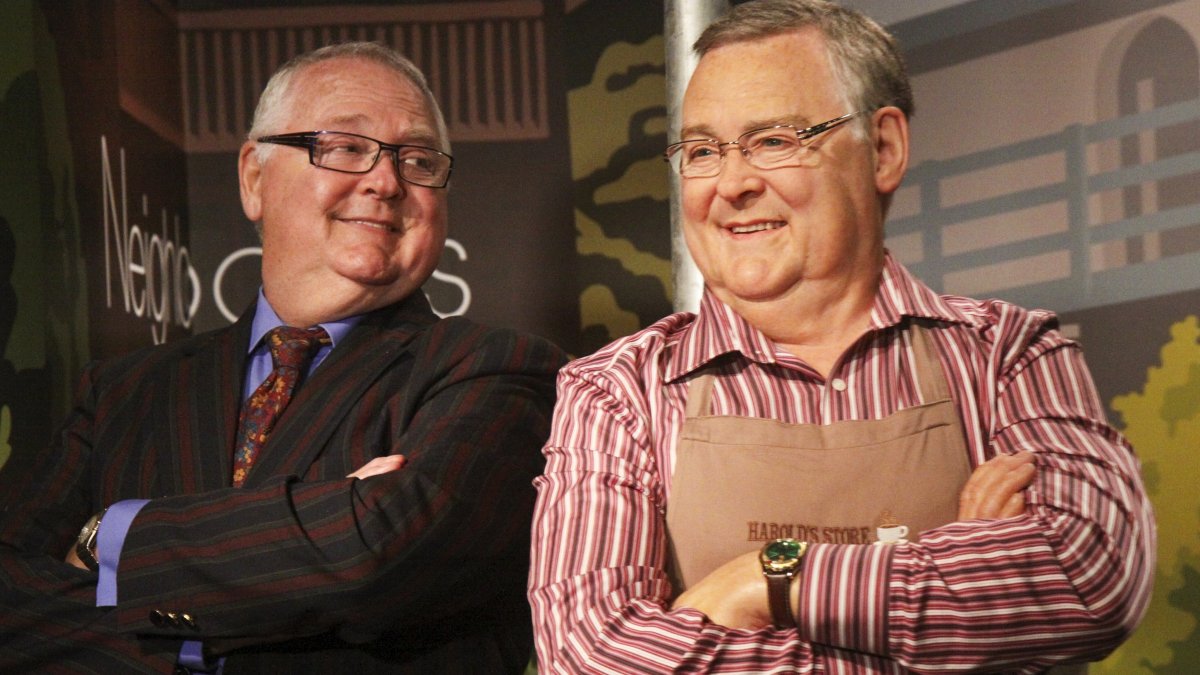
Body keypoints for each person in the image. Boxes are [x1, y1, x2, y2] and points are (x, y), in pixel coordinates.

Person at [527, 1, 1155, 672]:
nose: (732, 183)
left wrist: (764, 581)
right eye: (703, 150)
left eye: (773, 140)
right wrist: (959, 613)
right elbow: (591, 654)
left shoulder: (1009, 353)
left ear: (883, 148)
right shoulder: (618, 390)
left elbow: (1091, 571)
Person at [0, 41, 565, 673]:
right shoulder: (123, 391)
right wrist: (196, 645)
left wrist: (112, 535)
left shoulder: (499, 370)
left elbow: (373, 552)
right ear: (253, 178)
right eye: (346, 147)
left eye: (419, 159)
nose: (386, 181)